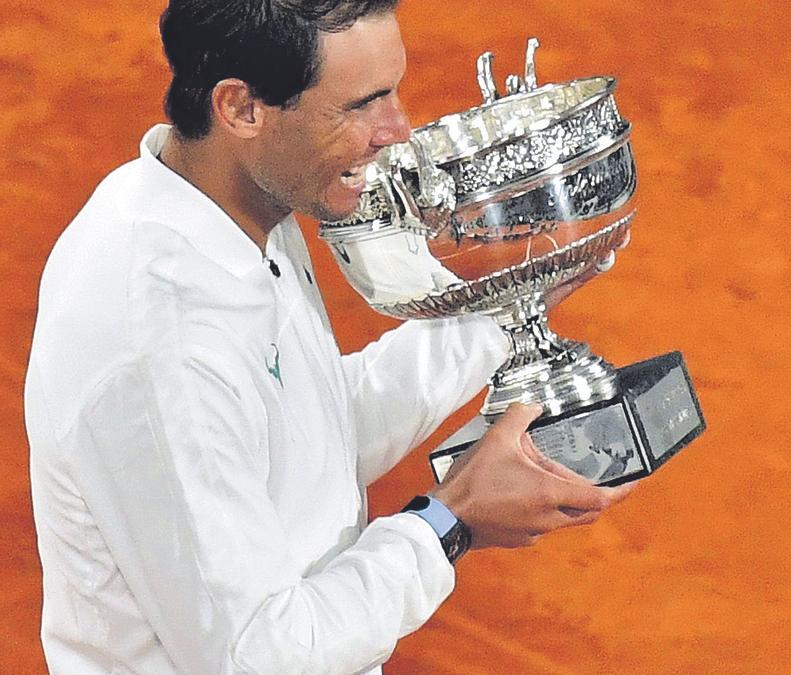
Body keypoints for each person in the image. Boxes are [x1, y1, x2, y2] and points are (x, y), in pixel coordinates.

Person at [24, 1, 632, 672]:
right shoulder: (158, 336)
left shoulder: (243, 204)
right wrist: (450, 520)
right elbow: (256, 654)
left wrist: (505, 304)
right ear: (242, 109)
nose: (396, 132)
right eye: (361, 105)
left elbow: (298, 442)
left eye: (393, 92)